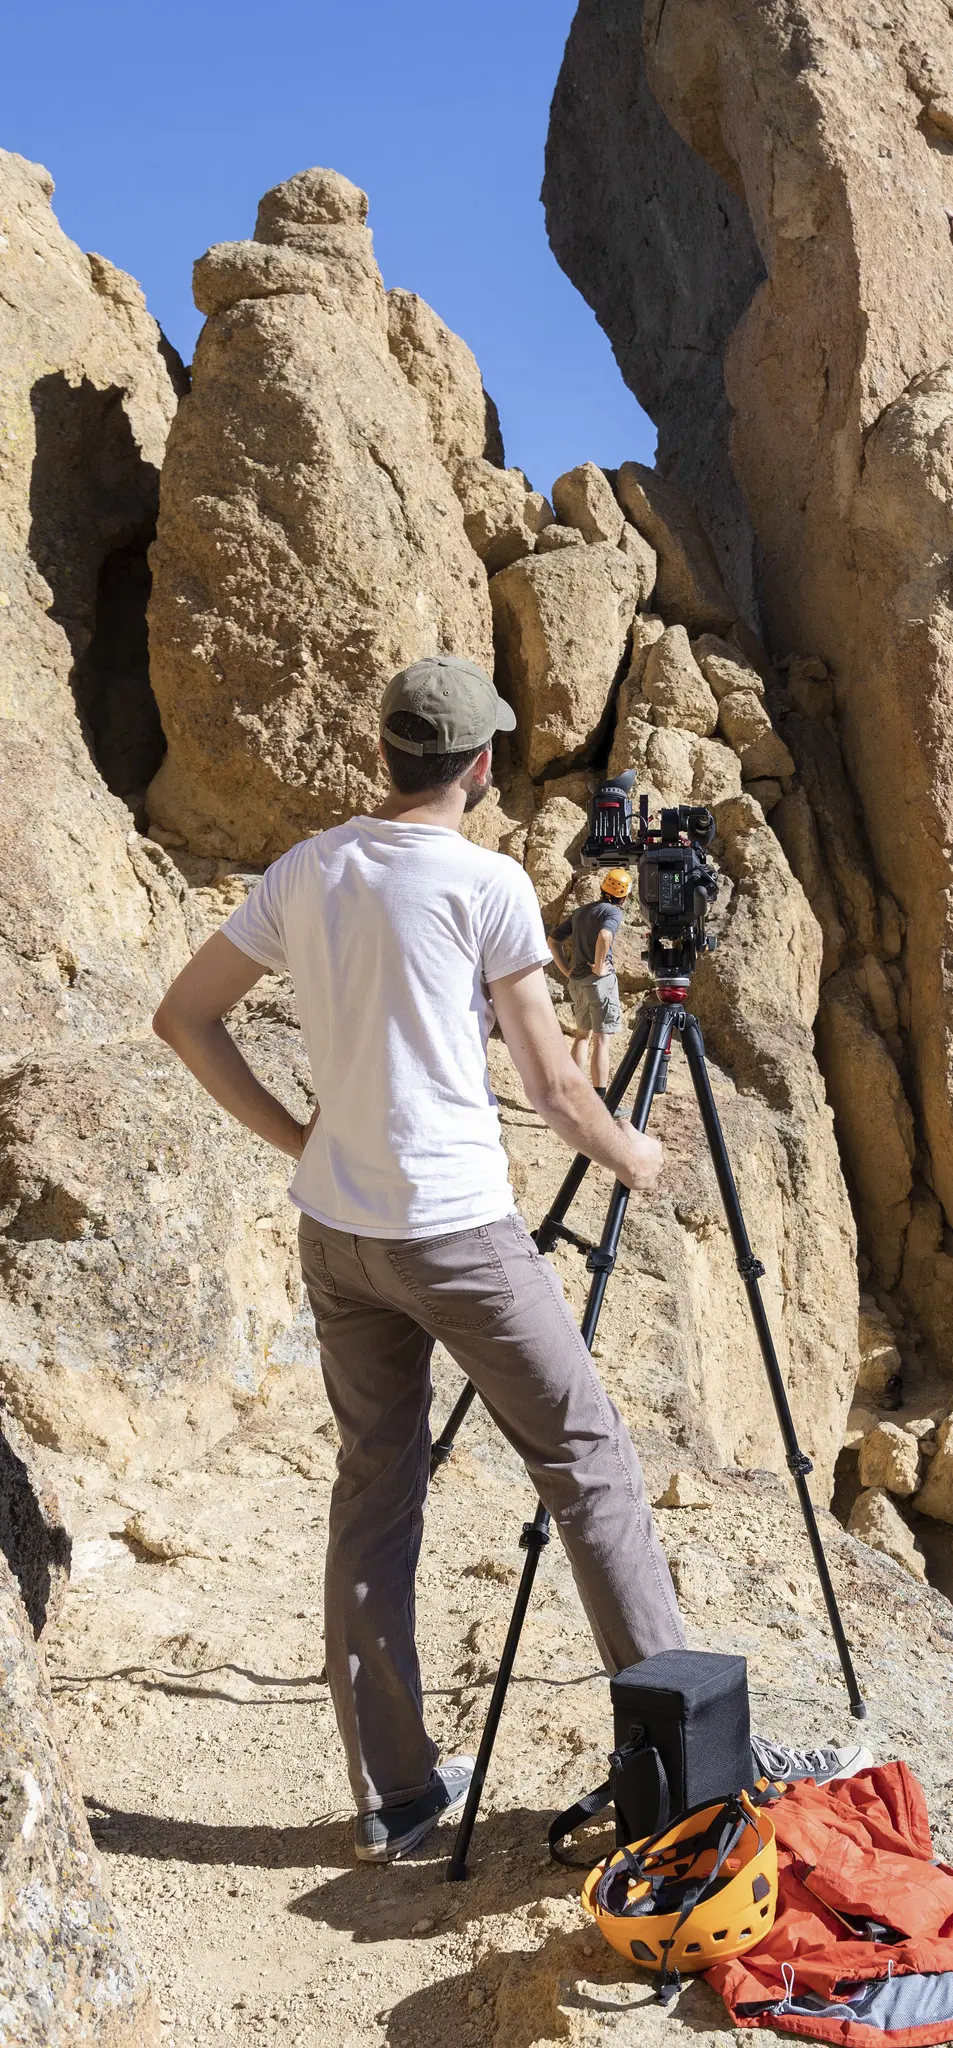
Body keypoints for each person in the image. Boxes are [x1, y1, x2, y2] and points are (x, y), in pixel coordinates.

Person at [153, 655, 870, 1865]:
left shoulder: (307, 867)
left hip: (339, 1234)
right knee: (587, 1461)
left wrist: (297, 1137)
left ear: (387, 751)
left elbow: (184, 1015)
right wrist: (636, 1155)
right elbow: (552, 1087)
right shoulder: (482, 880)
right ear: (481, 763)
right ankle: (694, 1782)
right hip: (453, 1232)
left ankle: (395, 1795)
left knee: (374, 1488)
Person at [548, 870, 631, 1097]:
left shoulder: (581, 911)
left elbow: (553, 940)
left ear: (602, 889)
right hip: (599, 982)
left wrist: (567, 971)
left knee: (582, 1037)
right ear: (624, 896)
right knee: (602, 1039)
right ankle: (599, 1102)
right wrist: (599, 966)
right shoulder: (613, 912)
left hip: (577, 982)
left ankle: (574, 1096)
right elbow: (605, 935)